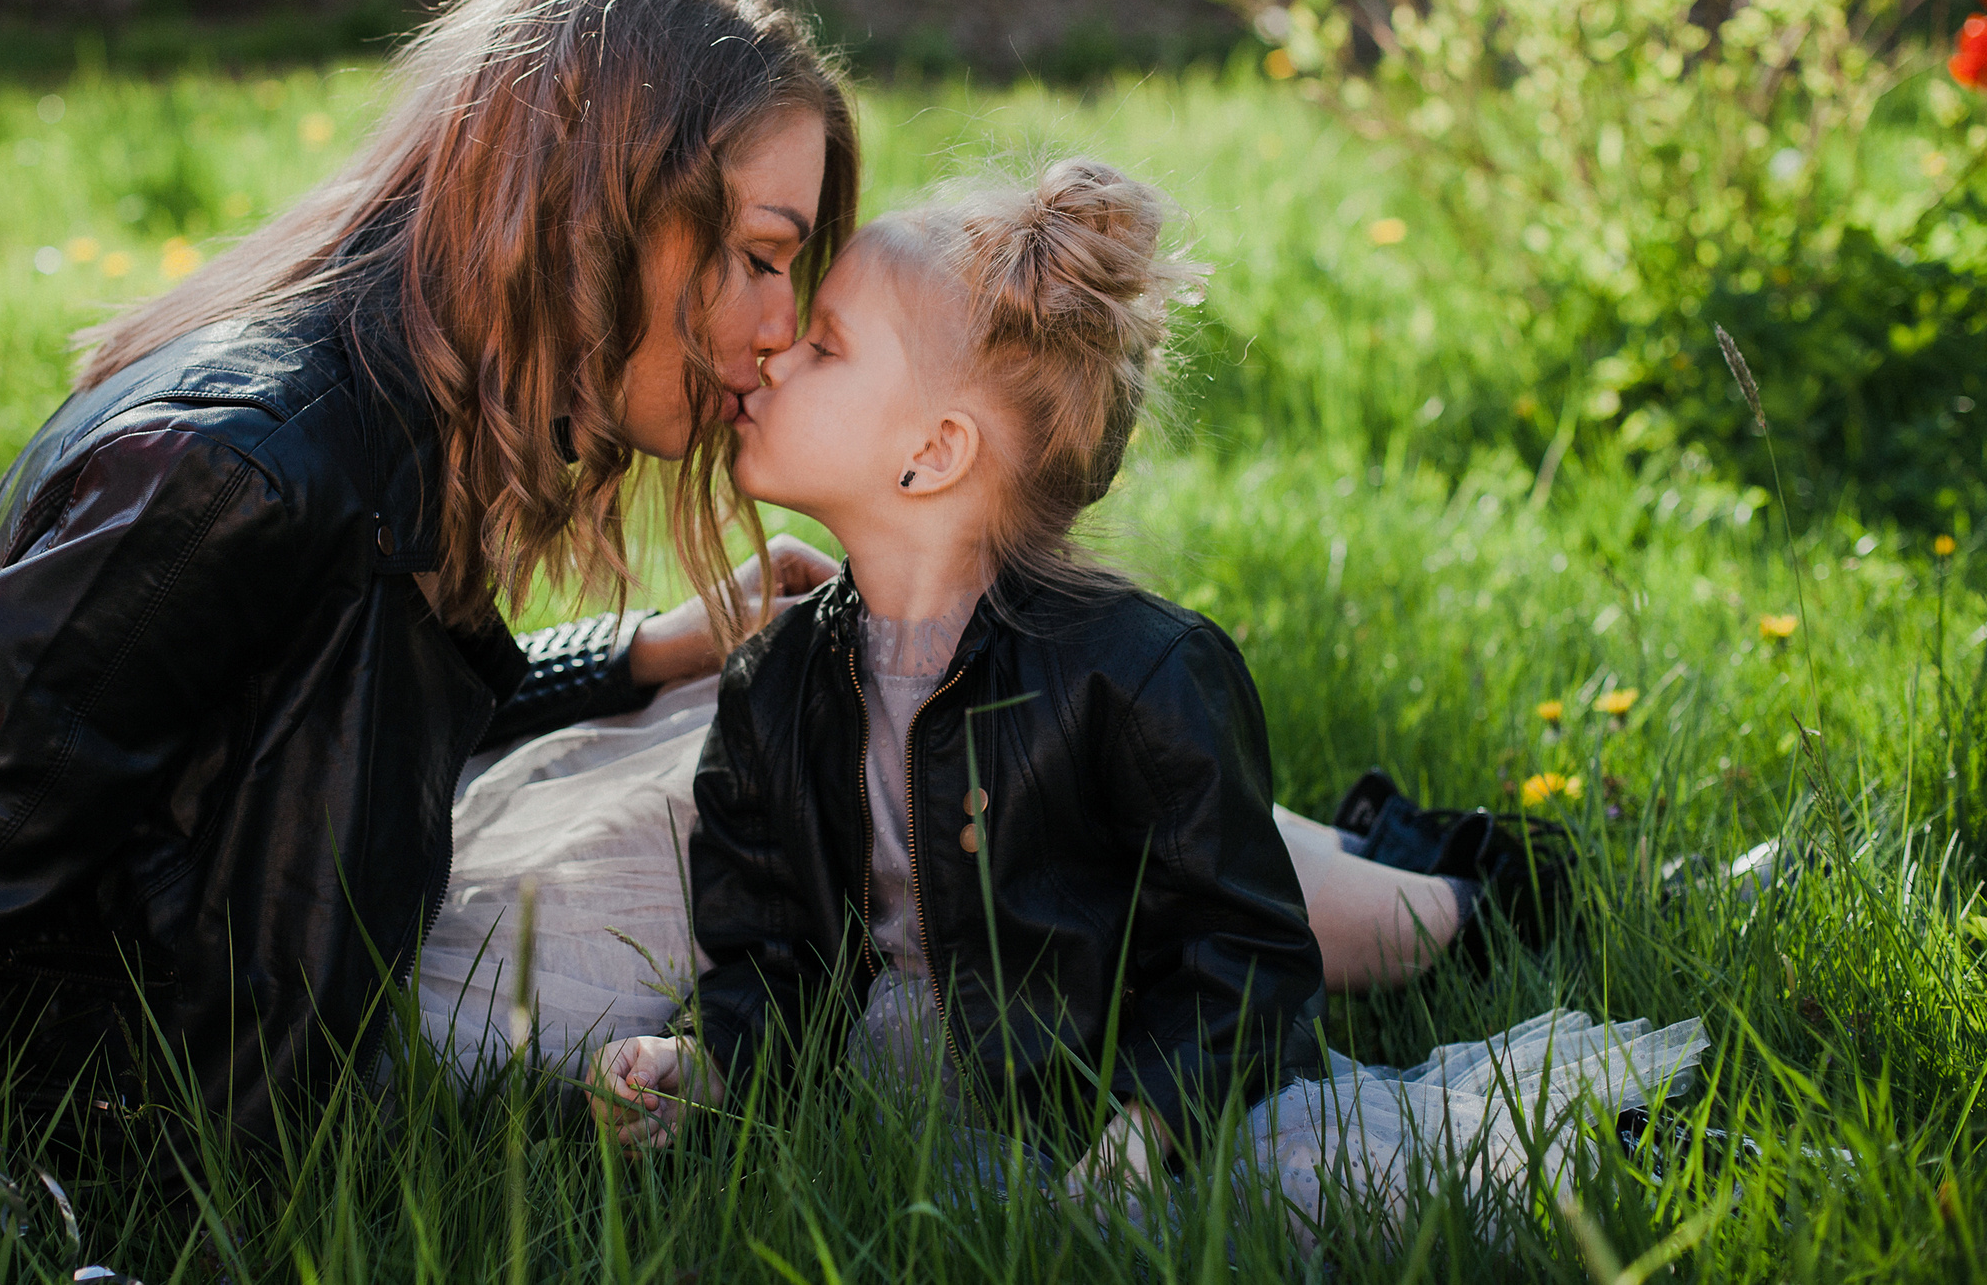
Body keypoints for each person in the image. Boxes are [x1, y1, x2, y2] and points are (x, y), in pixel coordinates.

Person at [0, 0, 857, 1149]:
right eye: (763, 255)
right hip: (128, 1141)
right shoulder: (245, 470)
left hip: (241, 1072)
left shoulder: (392, 405)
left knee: (726, 710)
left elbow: (313, 735)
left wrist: (639, 653)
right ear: (595, 203)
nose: (782, 326)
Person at [554, 161, 1705, 1224]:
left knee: (1349, 1197)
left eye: (825, 346)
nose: (768, 356)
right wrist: (698, 1062)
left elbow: (1242, 956)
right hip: (919, 1105)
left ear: (934, 452)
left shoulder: (1137, 672)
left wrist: (1139, 1136)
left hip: (1136, 1102)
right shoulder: (774, 683)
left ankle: (1528, 930)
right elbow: (770, 962)